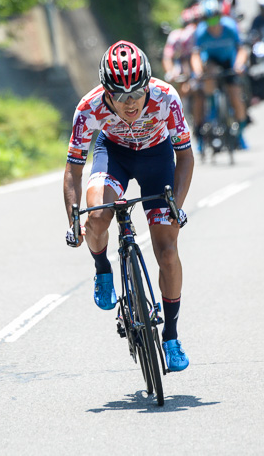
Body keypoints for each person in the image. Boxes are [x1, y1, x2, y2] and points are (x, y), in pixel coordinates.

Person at [63, 40, 195, 372]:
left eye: (137, 92)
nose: (130, 102)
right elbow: (73, 170)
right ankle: (103, 270)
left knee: (167, 250)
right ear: (106, 92)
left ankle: (172, 336)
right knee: (96, 217)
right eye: (120, 97)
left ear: (148, 84)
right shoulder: (88, 107)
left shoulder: (166, 97)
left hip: (156, 157)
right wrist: (72, 220)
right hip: (114, 155)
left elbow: (185, 156)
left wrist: (175, 207)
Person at [190, 0, 250, 149]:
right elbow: (196, 55)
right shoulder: (201, 32)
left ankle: (240, 135)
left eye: (215, 18)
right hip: (211, 62)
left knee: (236, 96)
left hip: (229, 62)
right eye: (208, 21)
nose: (213, 24)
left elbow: (241, 49)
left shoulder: (230, 27)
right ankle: (212, 112)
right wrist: (197, 72)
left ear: (220, 16)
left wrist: (238, 65)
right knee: (208, 79)